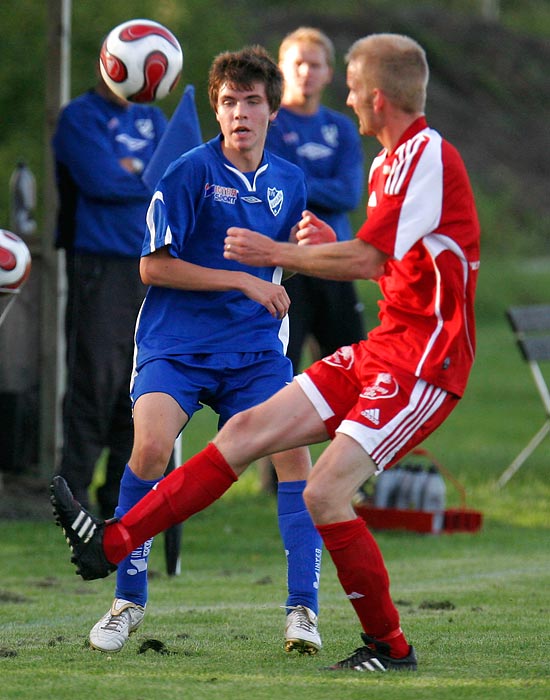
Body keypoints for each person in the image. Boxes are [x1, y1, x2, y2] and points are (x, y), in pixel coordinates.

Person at [51, 33, 480, 672]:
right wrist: (304, 257)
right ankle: (117, 567)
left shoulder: (407, 161)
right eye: (230, 102)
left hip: (412, 358)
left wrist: (285, 257)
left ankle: (359, 633)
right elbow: (386, 267)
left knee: (313, 483)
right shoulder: (380, 164)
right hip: (234, 345)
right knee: (212, 439)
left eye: (355, 92)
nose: (346, 104)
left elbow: (363, 259)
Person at [73, 46, 323, 656]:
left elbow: (290, 261)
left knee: (295, 463)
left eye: (253, 101)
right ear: (216, 109)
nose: (240, 112)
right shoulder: (188, 171)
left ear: (271, 112)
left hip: (254, 351)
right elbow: (152, 267)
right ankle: (128, 600)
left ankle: (304, 613)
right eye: (229, 101)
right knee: (152, 447)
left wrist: (314, 247)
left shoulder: (290, 181)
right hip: (176, 344)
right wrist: (241, 279)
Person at [52, 65, 167, 518]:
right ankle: (71, 497)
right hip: (97, 265)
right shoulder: (79, 117)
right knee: (92, 380)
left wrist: (133, 172)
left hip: (150, 265)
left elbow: (165, 178)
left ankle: (122, 499)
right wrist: (141, 175)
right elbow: (99, 182)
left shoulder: (153, 118)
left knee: (137, 383)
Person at [266, 27, 366, 371]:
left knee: (350, 365)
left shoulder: (341, 128)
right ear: (281, 69)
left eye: (314, 64)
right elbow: (278, 189)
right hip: (290, 263)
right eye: (297, 63)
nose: (305, 72)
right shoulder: (270, 125)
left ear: (328, 73)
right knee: (284, 366)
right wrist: (317, 186)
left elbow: (349, 193)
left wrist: (303, 182)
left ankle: (344, 429)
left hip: (335, 257)